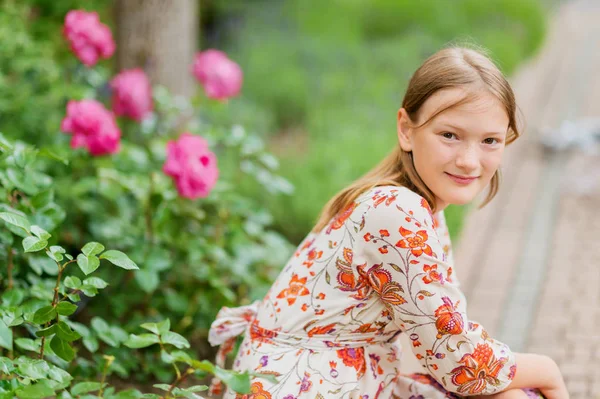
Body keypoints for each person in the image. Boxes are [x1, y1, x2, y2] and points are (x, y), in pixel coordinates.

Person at [207, 46, 570, 399]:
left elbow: (440, 347)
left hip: (345, 377)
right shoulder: (396, 210)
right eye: (450, 135)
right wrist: (547, 369)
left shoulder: (419, 208)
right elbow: (458, 357)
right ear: (406, 130)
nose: (470, 161)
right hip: (302, 384)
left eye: (490, 140)